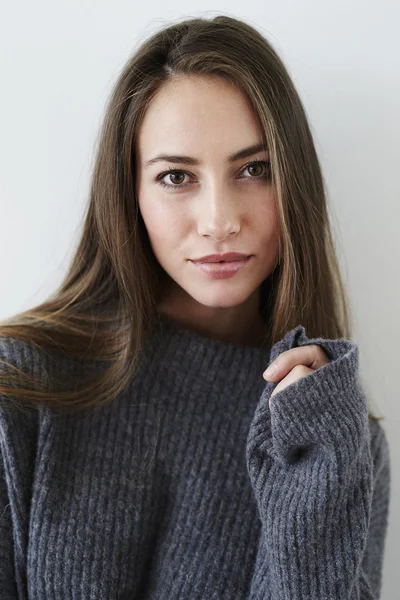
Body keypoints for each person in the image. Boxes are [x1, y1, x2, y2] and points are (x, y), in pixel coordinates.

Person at [0, 14, 390, 600]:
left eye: (254, 170)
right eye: (177, 176)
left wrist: (312, 479)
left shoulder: (334, 434)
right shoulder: (22, 386)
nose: (219, 221)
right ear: (129, 193)